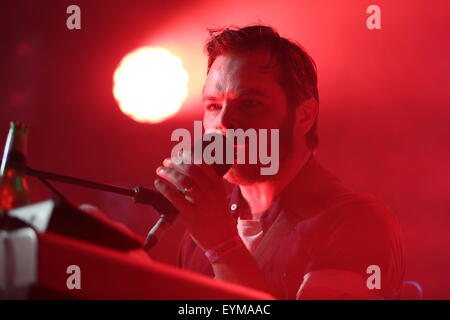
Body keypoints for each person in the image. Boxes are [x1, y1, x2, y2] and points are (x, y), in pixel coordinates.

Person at [153, 25, 404, 299]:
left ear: (304, 115)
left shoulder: (356, 220)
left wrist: (222, 246)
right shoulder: (197, 236)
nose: (223, 122)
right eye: (213, 106)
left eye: (250, 103)